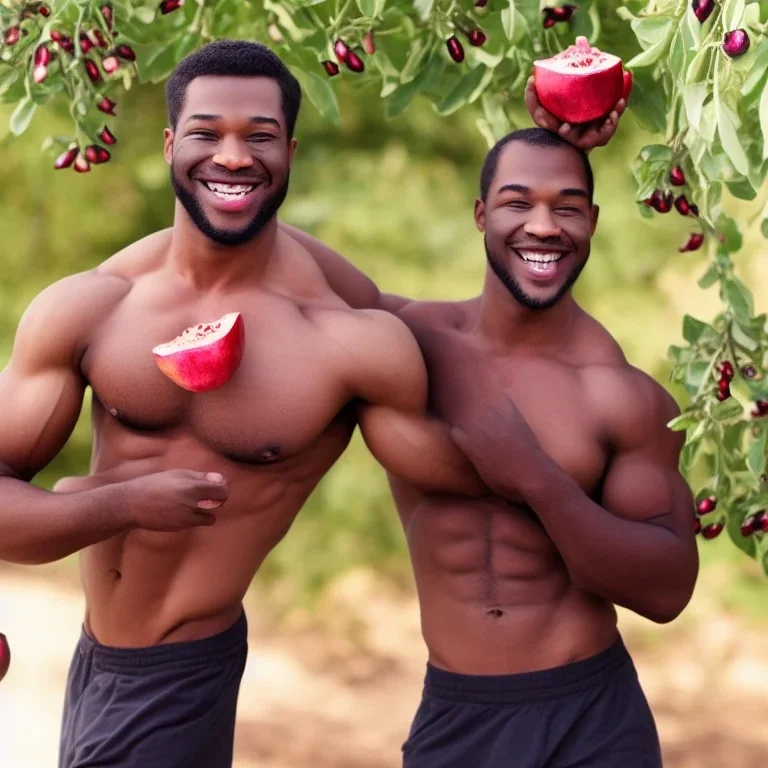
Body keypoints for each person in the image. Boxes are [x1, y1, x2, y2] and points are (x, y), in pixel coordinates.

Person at [0, 40, 483, 768]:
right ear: (169, 144)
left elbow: (476, 424)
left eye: (258, 136)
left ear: (289, 148)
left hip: (183, 674)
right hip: (95, 660)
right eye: (206, 133)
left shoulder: (341, 334)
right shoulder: (94, 304)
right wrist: (122, 503)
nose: (232, 156)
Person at [289, 128, 699, 766]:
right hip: (458, 717)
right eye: (516, 202)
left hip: (592, 719)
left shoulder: (618, 395)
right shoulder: (415, 341)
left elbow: (668, 590)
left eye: (566, 207)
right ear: (481, 214)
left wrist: (539, 479)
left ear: (592, 222)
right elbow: (276, 260)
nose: (543, 225)